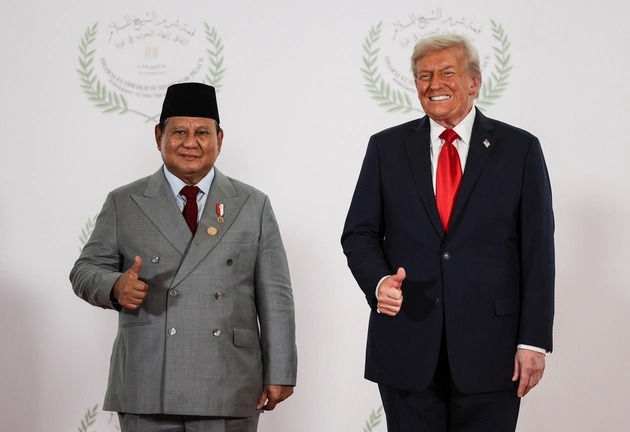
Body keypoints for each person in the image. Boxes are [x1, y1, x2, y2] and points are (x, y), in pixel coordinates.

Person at [341, 34, 554, 431]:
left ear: (474, 82)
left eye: (447, 73)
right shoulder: (386, 148)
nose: (434, 84)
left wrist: (533, 341)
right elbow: (359, 233)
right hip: (406, 346)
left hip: (493, 351)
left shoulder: (519, 149)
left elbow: (537, 251)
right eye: (424, 76)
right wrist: (380, 281)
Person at [70, 82, 297, 432]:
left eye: (202, 132)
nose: (190, 142)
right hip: (148, 378)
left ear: (219, 139)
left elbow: (275, 294)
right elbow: (84, 270)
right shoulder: (124, 201)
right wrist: (115, 286)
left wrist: (280, 370)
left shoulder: (252, 204)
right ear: (159, 136)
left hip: (229, 378)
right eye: (179, 132)